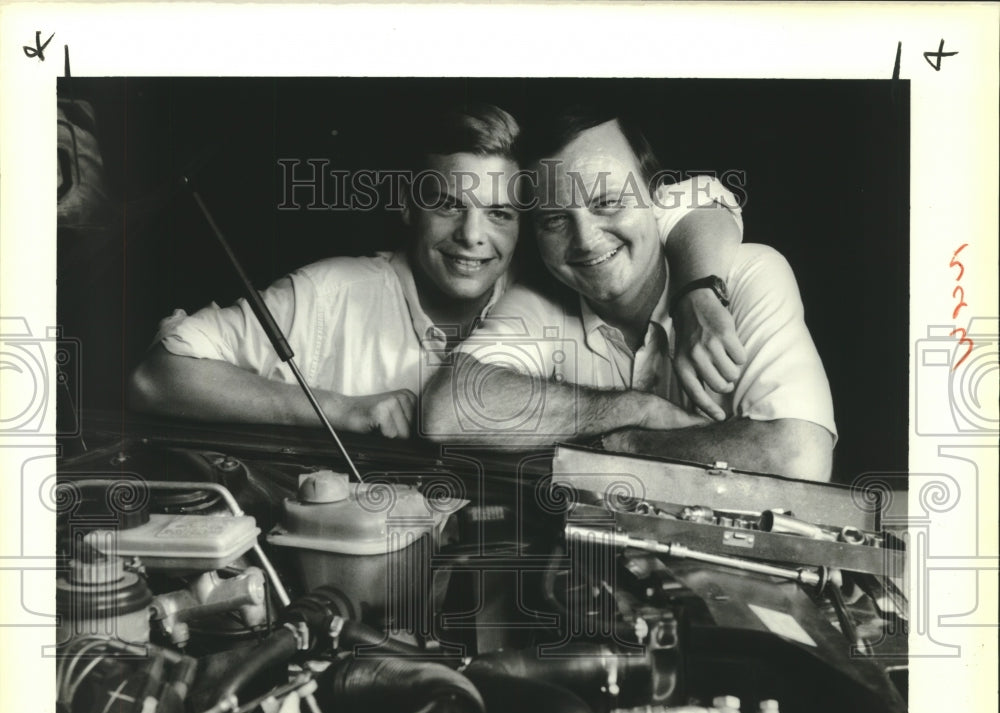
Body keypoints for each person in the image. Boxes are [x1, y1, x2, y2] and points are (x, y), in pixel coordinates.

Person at [128, 102, 748, 440]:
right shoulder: (331, 291)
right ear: (406, 206)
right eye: (449, 204)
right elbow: (157, 378)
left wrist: (698, 291)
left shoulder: (552, 280)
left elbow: (689, 200)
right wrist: (337, 408)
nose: (472, 237)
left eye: (501, 213)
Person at [422, 106, 836, 481]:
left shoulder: (749, 273)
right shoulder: (540, 300)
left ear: (659, 200)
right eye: (554, 220)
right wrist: (636, 408)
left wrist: (625, 444)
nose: (585, 240)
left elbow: (795, 458)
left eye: (608, 203)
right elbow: (446, 411)